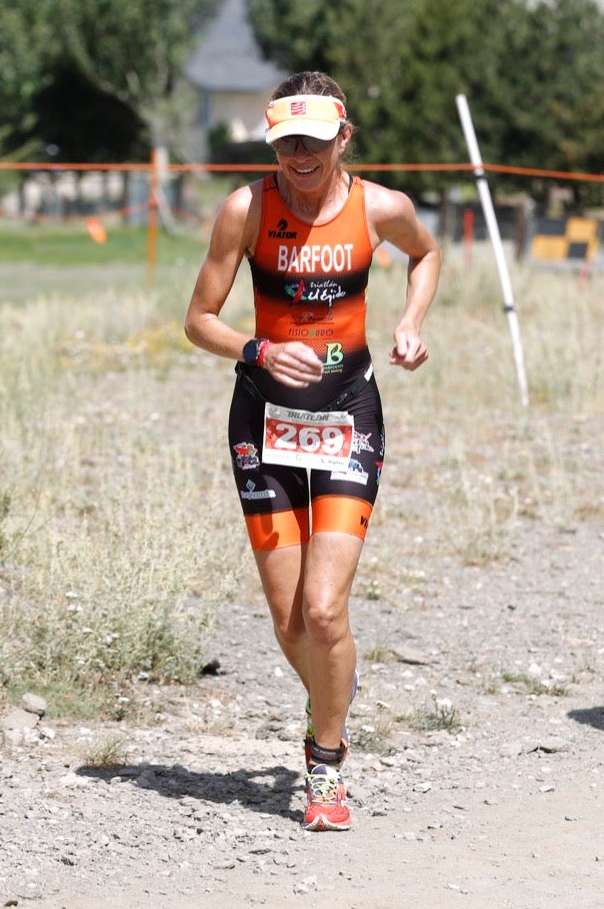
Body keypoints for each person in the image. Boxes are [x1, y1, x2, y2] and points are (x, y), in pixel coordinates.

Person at [184, 71, 441, 830]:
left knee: (325, 612)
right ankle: (336, 685)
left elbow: (425, 257)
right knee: (289, 620)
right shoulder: (247, 211)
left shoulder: (380, 208)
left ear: (344, 138)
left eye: (316, 142)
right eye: (287, 142)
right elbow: (198, 320)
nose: (301, 156)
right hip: (262, 421)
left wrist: (412, 322)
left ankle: (325, 763)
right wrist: (255, 348)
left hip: (347, 417)